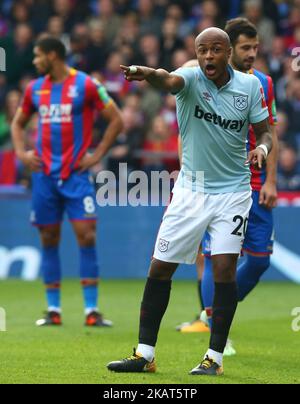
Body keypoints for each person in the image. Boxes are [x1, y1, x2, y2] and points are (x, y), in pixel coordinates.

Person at [107, 27, 272, 376]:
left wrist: (262, 147)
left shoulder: (250, 87)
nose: (208, 56)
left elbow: (266, 129)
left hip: (233, 193)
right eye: (202, 50)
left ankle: (214, 357)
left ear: (228, 52)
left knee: (225, 268)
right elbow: (167, 81)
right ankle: (144, 354)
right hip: (190, 191)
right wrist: (147, 74)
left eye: (215, 50)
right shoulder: (190, 77)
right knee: (160, 267)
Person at [177, 19, 278, 349]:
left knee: (260, 258)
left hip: (256, 182)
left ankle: (217, 313)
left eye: (255, 47)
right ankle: (217, 326)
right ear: (229, 48)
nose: (252, 54)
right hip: (218, 184)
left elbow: (269, 132)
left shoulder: (262, 82)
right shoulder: (198, 77)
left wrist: (272, 181)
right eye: (246, 48)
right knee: (217, 257)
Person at [11, 37, 123, 327]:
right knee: (48, 239)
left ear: (52, 55)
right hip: (44, 176)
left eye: (37, 56)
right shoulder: (35, 88)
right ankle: (53, 310)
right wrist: (22, 154)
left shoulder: (85, 84)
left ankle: (91, 310)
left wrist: (97, 154)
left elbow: (116, 120)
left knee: (86, 235)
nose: (34, 62)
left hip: (75, 175)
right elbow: (17, 123)